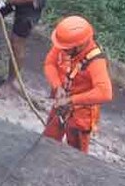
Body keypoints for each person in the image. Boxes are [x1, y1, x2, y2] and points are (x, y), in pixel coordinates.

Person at [43, 16, 112, 153]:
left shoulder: (96, 62)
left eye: (66, 49)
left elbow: (105, 93)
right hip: (61, 103)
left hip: (81, 114)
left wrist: (71, 100)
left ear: (79, 45)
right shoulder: (66, 45)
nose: (61, 50)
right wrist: (57, 86)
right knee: (48, 141)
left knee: (76, 153)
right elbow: (49, 64)